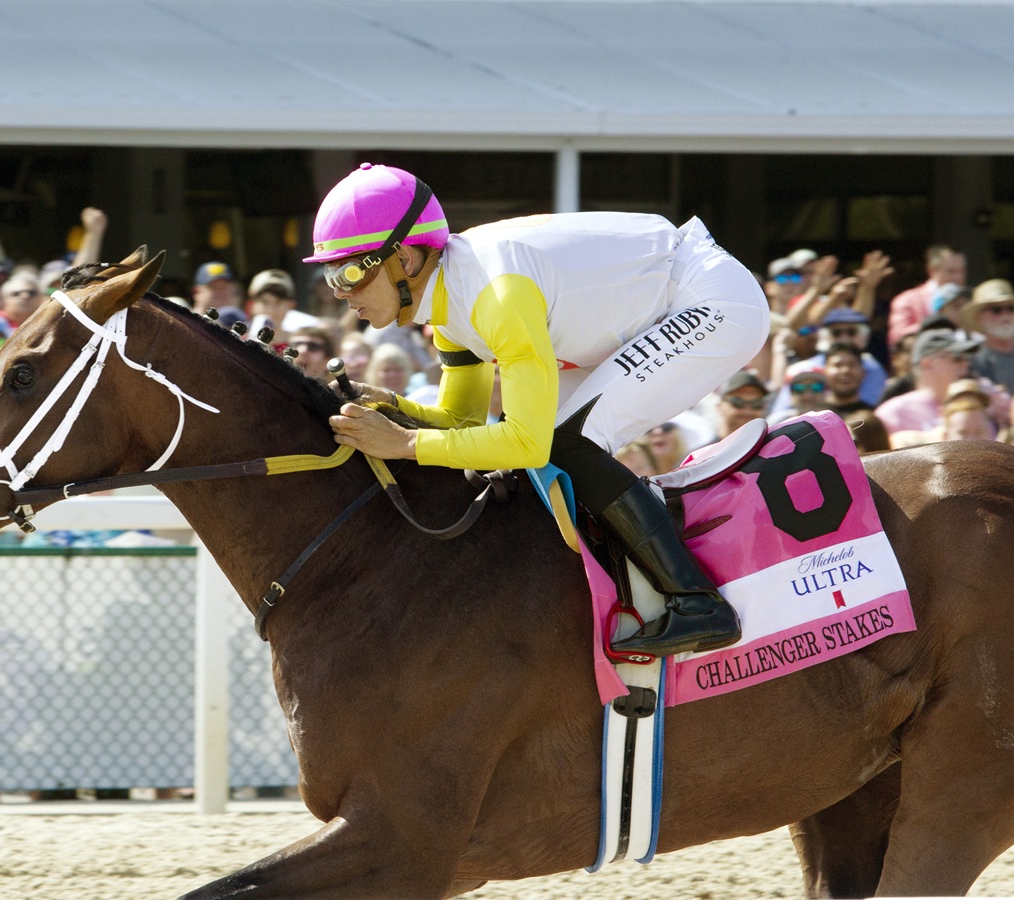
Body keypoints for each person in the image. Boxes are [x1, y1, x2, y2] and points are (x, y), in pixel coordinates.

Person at [311, 163, 769, 656]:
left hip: (709, 299)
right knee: (557, 443)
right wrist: (392, 406)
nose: (339, 293)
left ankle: (697, 601)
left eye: (350, 271)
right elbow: (463, 425)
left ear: (405, 259)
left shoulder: (493, 297)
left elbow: (526, 443)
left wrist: (402, 443)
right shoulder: (444, 307)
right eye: (330, 276)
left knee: (564, 441)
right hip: (652, 307)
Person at [876, 330, 984, 443]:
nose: (966, 365)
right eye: (957, 358)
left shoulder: (979, 406)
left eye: (967, 359)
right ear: (927, 363)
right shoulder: (893, 412)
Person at [888, 245, 966, 346]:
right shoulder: (907, 300)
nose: (958, 277)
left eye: (962, 271)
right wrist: (937, 323)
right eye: (951, 271)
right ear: (931, 271)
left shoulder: (969, 300)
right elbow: (896, 339)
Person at [966, 279, 1014, 394]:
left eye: (1011, 308)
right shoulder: (974, 364)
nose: (1005, 315)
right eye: (996, 310)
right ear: (979, 318)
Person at [821, 343, 877, 417]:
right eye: (838, 365)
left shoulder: (873, 416)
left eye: (852, 365)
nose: (845, 370)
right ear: (824, 372)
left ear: (863, 372)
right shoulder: (814, 416)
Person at [715, 370, 771, 437]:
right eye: (737, 402)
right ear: (720, 406)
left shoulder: (773, 446)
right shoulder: (705, 447)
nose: (748, 411)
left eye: (756, 403)